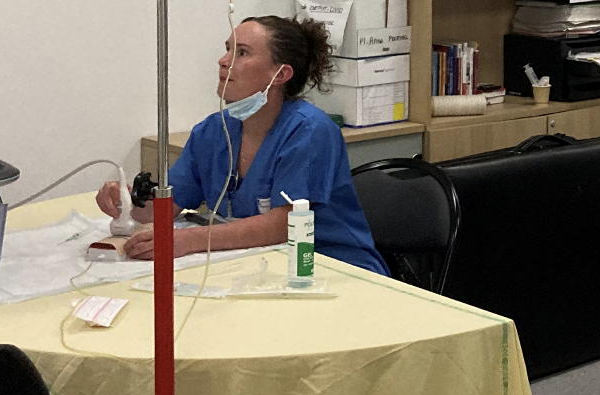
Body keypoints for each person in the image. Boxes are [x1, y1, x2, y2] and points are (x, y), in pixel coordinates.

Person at [97, 15, 389, 275]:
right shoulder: (213, 131)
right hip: (256, 265)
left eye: (242, 52)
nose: (224, 61)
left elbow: (283, 224)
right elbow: (164, 209)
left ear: (281, 75)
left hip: (332, 269)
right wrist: (127, 201)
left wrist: (189, 241)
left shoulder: (309, 131)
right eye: (227, 49)